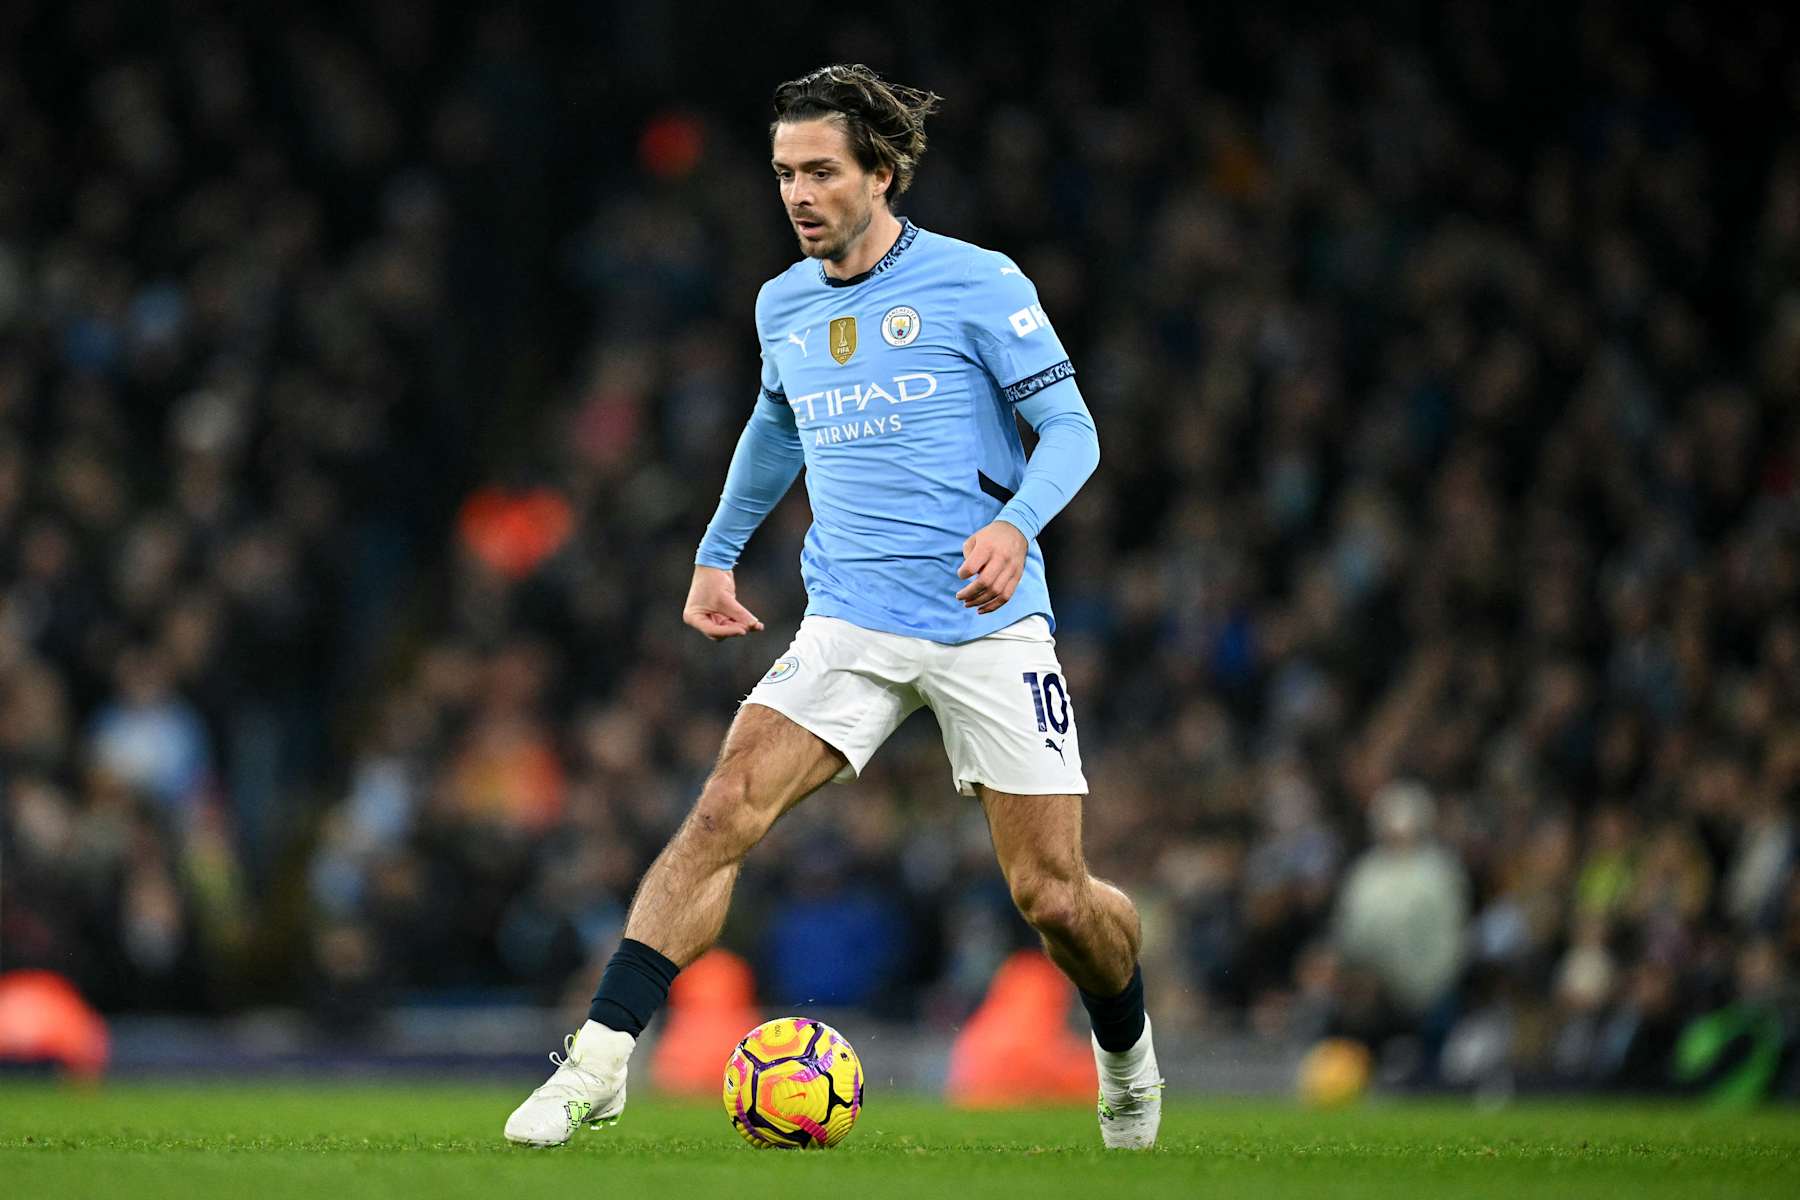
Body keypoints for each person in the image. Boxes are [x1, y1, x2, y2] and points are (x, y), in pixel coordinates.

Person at [505, 63, 1161, 1149]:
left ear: (883, 174)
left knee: (1055, 899)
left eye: (820, 172)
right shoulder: (783, 303)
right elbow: (777, 427)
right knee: (722, 812)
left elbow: (1076, 431)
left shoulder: (977, 281)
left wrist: (1015, 527)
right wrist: (718, 553)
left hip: (986, 619)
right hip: (850, 619)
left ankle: (1127, 1052)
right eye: (782, 175)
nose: (799, 195)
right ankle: (600, 1060)